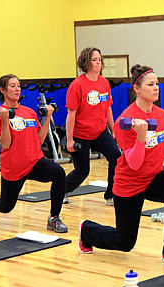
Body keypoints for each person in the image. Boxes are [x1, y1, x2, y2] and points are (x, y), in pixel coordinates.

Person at [78, 65, 164, 267]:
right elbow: (134, 163)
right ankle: (87, 231)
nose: (156, 88)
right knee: (124, 242)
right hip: (128, 183)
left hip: (153, 177)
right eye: (151, 84)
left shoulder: (163, 116)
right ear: (137, 88)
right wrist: (140, 137)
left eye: (157, 83)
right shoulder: (126, 119)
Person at [0, 74, 67, 233]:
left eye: (18, 86)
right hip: (14, 167)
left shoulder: (29, 112)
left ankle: (54, 218)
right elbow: (5, 143)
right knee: (5, 207)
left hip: (34, 162)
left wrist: (48, 116)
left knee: (59, 173)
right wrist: (4, 120)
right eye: (12, 86)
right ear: (3, 90)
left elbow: (39, 140)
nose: (17, 89)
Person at [64, 47, 121, 206]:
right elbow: (71, 115)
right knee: (82, 171)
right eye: (94, 60)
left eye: (99, 60)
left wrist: (113, 130)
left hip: (100, 132)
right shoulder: (77, 85)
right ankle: (62, 191)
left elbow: (108, 108)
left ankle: (111, 195)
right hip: (80, 134)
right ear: (86, 62)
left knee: (116, 158)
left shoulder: (104, 83)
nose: (98, 63)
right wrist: (69, 141)